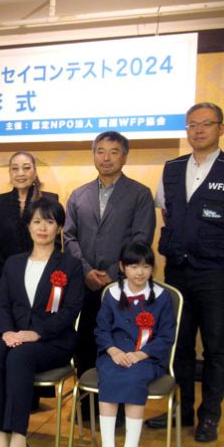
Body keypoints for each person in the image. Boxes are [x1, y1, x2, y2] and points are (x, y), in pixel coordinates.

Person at [147, 102, 224, 442]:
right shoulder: (172, 168)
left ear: (221, 129)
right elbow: (168, 212)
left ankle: (209, 416)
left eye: (206, 124)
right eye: (192, 124)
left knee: (215, 346)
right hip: (178, 271)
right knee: (179, 345)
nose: (198, 130)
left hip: (216, 274)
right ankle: (180, 411)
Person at [0, 198, 84, 447]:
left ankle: (18, 440)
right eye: (37, 221)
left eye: (50, 221)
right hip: (15, 335)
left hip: (53, 341)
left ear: (59, 227)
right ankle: (0, 438)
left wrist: (37, 333)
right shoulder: (13, 264)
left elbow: (71, 310)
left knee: (19, 357)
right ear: (28, 226)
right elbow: (2, 306)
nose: (43, 227)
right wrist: (8, 333)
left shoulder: (71, 266)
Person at [63, 131, 155, 419]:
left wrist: (116, 273)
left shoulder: (140, 194)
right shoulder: (79, 195)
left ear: (124, 156)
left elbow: (141, 238)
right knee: (86, 343)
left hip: (123, 287)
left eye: (113, 151)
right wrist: (87, 270)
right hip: (86, 284)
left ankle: (117, 409)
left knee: (121, 344)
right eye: (100, 151)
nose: (106, 157)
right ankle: (87, 408)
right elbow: (68, 237)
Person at [95, 241, 176, 447]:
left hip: (147, 359)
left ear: (152, 268)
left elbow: (166, 336)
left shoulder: (161, 298)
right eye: (133, 266)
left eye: (145, 266)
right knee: (109, 377)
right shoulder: (112, 294)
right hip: (114, 354)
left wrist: (142, 354)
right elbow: (101, 330)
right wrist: (113, 350)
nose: (140, 272)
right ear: (122, 267)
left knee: (133, 379)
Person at [0, 151, 59, 281]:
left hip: (44, 275)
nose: (20, 173)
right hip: (6, 275)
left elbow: (56, 241)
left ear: (35, 171)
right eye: (15, 168)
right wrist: (8, 269)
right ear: (9, 172)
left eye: (26, 168)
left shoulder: (50, 199)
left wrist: (45, 268)